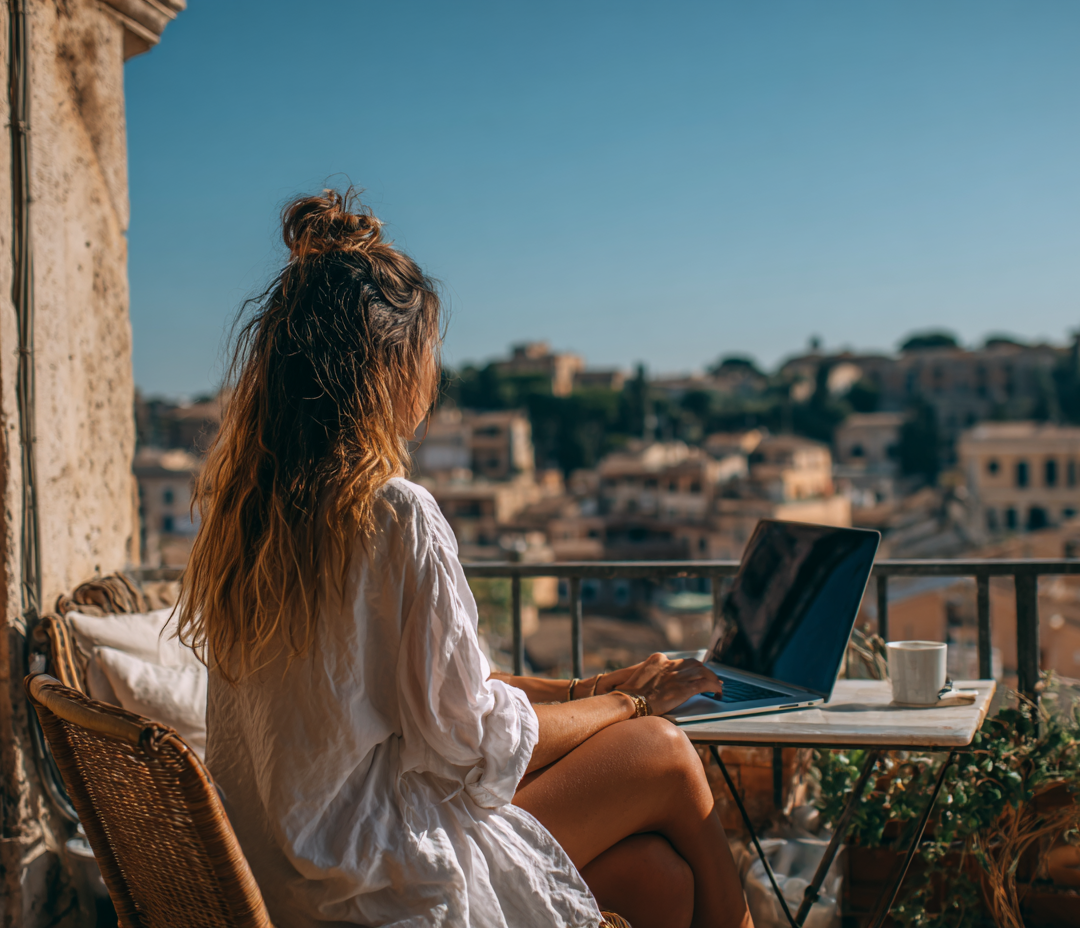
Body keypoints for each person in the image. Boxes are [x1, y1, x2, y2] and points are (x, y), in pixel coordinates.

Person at [178, 189, 755, 928]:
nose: (434, 375)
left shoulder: (248, 520)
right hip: (374, 877)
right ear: (388, 367)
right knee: (664, 753)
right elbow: (467, 736)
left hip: (290, 875)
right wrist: (630, 704)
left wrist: (593, 685)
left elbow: (441, 692)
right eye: (428, 352)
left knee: (655, 879)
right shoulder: (392, 511)